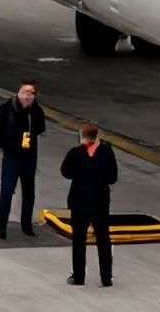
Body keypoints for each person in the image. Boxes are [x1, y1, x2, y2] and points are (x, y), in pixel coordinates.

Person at [0, 80, 46, 239]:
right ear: (18, 93)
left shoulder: (35, 111)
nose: (29, 96)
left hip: (29, 157)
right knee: (7, 191)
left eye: (32, 93)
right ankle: (2, 226)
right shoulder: (6, 109)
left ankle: (26, 225)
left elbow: (41, 127)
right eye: (26, 92)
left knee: (29, 193)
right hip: (12, 158)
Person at [60, 122, 118, 288]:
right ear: (96, 135)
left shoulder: (75, 153)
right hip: (100, 203)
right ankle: (106, 278)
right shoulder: (106, 152)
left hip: (79, 203)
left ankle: (78, 276)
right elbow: (112, 177)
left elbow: (65, 172)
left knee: (79, 240)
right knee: (103, 240)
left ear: (82, 136)